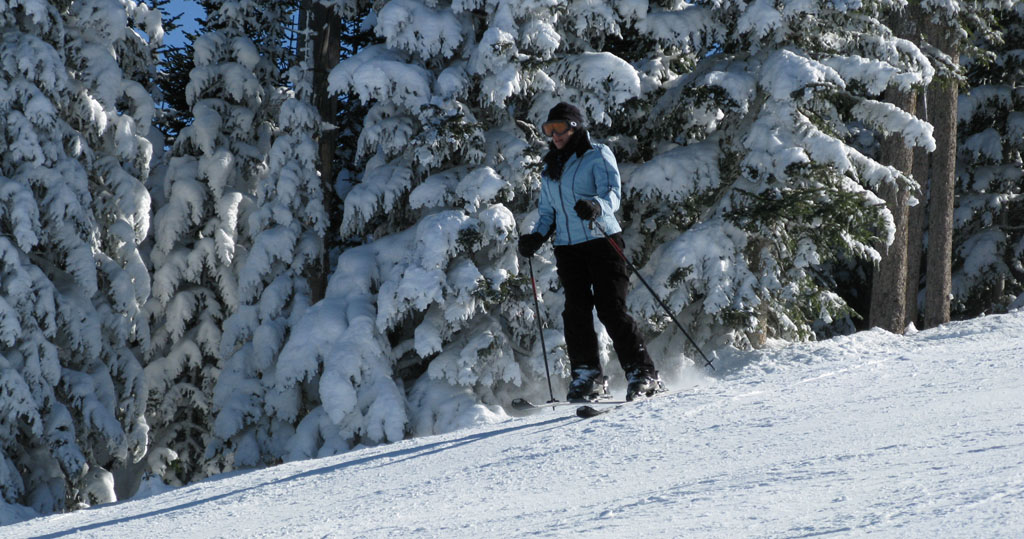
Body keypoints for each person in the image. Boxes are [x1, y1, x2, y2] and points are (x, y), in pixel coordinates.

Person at [518, 102, 663, 402]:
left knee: (610, 307)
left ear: (575, 128)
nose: (555, 135)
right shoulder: (550, 167)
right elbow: (548, 212)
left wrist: (596, 205)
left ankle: (642, 372)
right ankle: (588, 375)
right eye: (549, 129)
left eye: (560, 128)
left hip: (602, 240)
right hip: (568, 249)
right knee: (576, 312)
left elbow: (613, 193)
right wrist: (536, 237)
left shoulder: (596, 154)